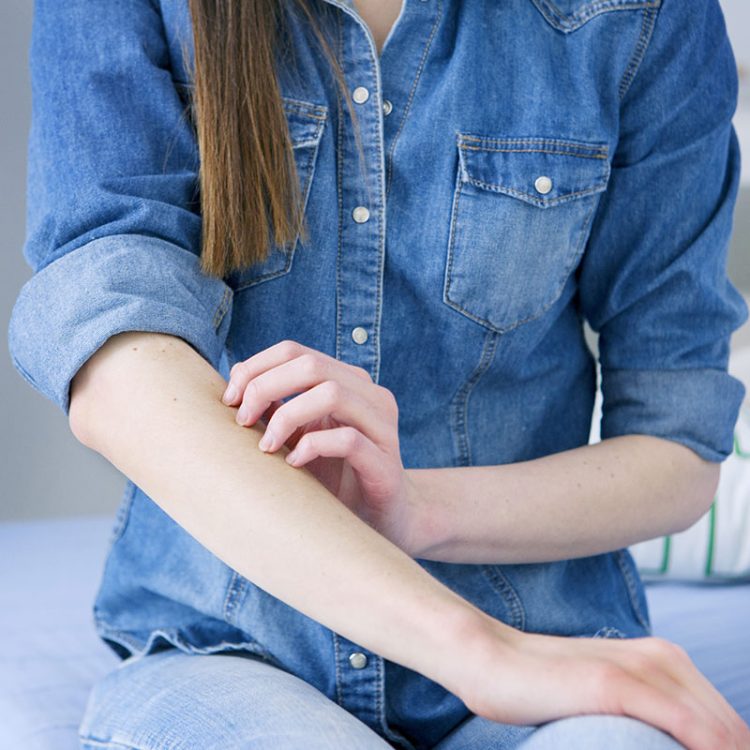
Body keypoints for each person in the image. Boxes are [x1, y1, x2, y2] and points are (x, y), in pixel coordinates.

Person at [7, 0, 750, 748]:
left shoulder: (650, 16)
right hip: (232, 651)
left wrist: (418, 508)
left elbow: (677, 451)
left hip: (551, 651)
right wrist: (479, 652)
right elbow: (116, 365)